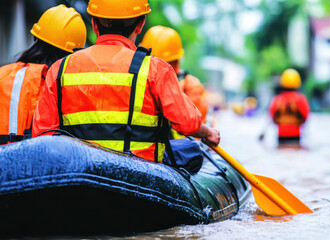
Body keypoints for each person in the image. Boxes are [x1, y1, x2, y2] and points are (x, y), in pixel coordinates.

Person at [32, 0, 220, 164]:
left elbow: (42, 134)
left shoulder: (59, 68)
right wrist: (207, 132)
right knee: (189, 150)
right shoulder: (156, 69)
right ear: (140, 25)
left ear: (94, 24)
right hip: (143, 177)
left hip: (77, 175)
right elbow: (188, 124)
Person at [0, 5, 86, 145]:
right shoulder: (59, 86)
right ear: (72, 54)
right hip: (36, 163)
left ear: (37, 38)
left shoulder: (2, 74)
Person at [139, 25, 209, 139]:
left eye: (160, 63)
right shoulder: (136, 79)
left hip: (180, 151)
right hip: (146, 151)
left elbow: (195, 134)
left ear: (175, 62)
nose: (155, 68)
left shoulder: (191, 86)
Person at [269, 69, 310, 147]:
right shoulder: (301, 99)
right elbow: (305, 117)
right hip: (296, 137)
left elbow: (273, 117)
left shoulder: (277, 99)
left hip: (281, 136)